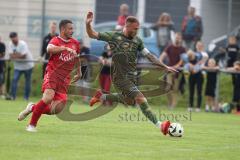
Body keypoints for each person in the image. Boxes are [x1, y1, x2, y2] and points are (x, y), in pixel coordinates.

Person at [86, 12, 177, 135]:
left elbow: (149, 56)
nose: (137, 31)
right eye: (135, 29)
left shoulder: (137, 41)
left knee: (129, 101)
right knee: (141, 98)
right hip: (119, 76)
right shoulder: (114, 36)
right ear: (127, 26)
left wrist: (164, 66)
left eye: (138, 29)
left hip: (131, 77)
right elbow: (92, 34)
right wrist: (88, 24)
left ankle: (101, 96)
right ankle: (160, 125)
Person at [17, 20, 81, 132]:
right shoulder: (55, 40)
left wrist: (79, 72)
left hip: (64, 79)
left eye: (72, 28)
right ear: (63, 30)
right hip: (52, 74)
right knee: (48, 98)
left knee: (57, 109)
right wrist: (64, 48)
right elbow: (49, 49)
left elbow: (77, 57)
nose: (72, 31)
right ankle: (31, 125)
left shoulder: (75, 43)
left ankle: (32, 107)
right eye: (70, 28)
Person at [159, 33, 186, 109]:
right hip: (169, 70)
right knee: (168, 87)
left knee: (175, 89)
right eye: (176, 37)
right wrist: (162, 64)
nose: (177, 39)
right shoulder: (169, 47)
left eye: (179, 38)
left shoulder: (183, 49)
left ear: (181, 39)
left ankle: (173, 105)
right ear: (174, 38)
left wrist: (175, 67)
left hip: (178, 71)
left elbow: (182, 60)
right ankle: (170, 103)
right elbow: (162, 56)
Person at [8, 32, 34, 100]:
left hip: (27, 66)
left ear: (17, 37)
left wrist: (15, 56)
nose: (13, 40)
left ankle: (26, 97)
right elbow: (10, 56)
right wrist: (18, 55)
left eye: (14, 38)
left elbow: (24, 56)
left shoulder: (23, 44)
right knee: (14, 80)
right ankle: (13, 97)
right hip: (18, 66)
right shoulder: (10, 44)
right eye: (12, 39)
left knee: (27, 82)